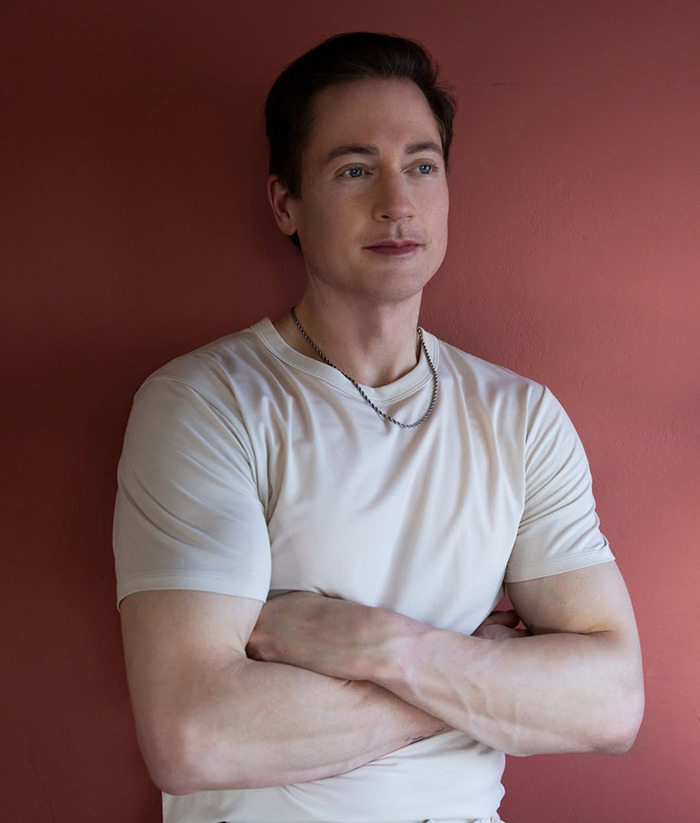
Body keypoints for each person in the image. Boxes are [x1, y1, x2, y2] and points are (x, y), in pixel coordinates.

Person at [113, 32, 644, 823]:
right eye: (355, 169)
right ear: (286, 203)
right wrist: (479, 675)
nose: (398, 202)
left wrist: (382, 647)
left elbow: (612, 704)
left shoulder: (522, 417)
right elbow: (194, 738)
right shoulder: (204, 403)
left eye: (422, 166)